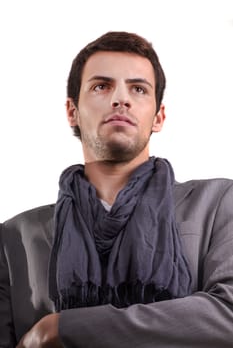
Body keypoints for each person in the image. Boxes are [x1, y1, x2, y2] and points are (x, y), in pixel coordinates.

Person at [0, 31, 233, 348]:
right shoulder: (14, 238)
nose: (120, 98)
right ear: (73, 112)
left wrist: (62, 330)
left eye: (138, 89)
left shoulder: (217, 203)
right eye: (101, 86)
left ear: (158, 117)